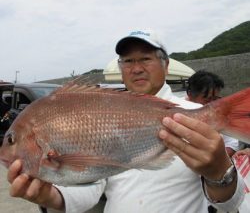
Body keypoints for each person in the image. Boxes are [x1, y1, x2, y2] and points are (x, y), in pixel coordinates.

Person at [7, 30, 245, 213]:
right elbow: (91, 188)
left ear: (166, 64)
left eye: (145, 58)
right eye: (127, 61)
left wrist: (219, 174)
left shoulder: (196, 115)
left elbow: (232, 204)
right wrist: (51, 197)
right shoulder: (101, 112)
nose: (136, 68)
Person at [186, 70, 239, 157]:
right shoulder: (174, 110)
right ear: (190, 94)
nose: (212, 104)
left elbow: (231, 143)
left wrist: (215, 158)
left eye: (215, 99)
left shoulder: (219, 113)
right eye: (207, 99)